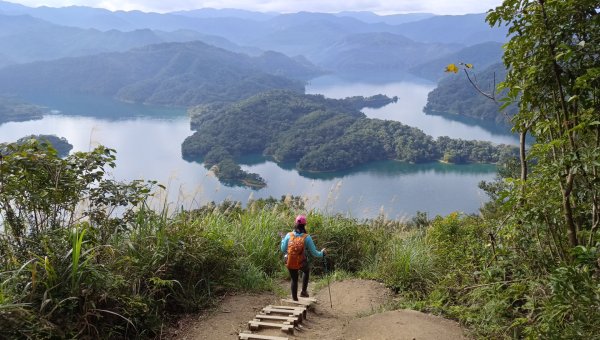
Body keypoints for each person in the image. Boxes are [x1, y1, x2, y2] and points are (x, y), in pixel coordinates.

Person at [280, 214, 326, 301]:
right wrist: (322, 253)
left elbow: (283, 249)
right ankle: (303, 292)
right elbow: (314, 253)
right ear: (304, 225)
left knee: (294, 279)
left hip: (290, 261)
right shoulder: (307, 237)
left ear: (295, 223)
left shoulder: (289, 235)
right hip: (301, 262)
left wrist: (282, 239)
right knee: (306, 270)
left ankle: (294, 299)